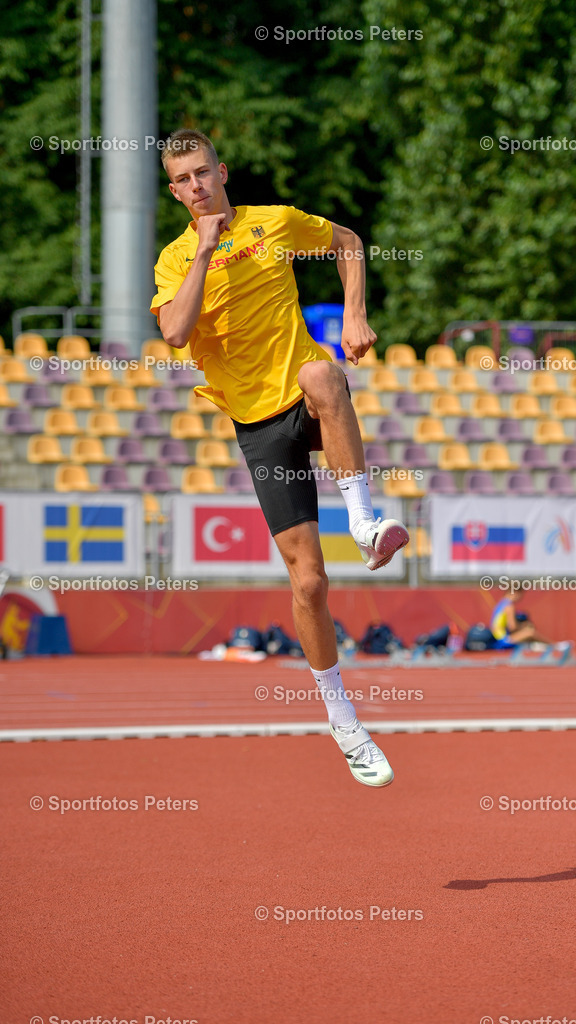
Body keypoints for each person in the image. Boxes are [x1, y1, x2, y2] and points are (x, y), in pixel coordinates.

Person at [150, 128, 409, 788]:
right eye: (182, 179)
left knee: (325, 376)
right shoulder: (176, 260)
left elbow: (348, 240)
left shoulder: (276, 223)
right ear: (173, 189)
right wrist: (206, 253)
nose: (196, 186)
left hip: (301, 391)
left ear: (223, 170)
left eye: (203, 172)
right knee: (310, 584)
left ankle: (364, 525)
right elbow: (175, 334)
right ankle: (344, 722)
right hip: (258, 426)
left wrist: (354, 315)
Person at [490, 583, 551, 648]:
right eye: (521, 594)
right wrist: (524, 626)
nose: (521, 597)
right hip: (503, 640)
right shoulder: (509, 606)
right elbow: (513, 627)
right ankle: (554, 646)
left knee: (527, 635)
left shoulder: (501, 603)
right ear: (516, 592)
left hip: (496, 638)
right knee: (530, 632)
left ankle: (539, 646)